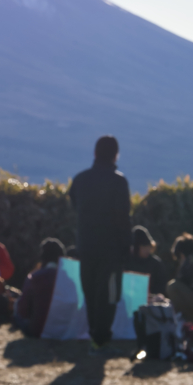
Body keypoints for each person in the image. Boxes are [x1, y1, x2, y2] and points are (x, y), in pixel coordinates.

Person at [69, 135, 131, 354]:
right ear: (116, 155)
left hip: (86, 245)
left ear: (95, 153)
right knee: (109, 293)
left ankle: (94, 332)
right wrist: (126, 246)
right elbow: (123, 218)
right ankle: (102, 336)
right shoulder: (118, 181)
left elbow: (74, 204)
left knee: (90, 289)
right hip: (111, 248)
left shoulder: (80, 180)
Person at [14, 238, 66, 337]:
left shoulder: (34, 278)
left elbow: (22, 311)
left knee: (17, 304)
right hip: (64, 330)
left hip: (37, 330)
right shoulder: (69, 280)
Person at [127, 225, 168, 295]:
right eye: (143, 246)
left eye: (148, 246)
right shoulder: (127, 263)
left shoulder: (156, 264)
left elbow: (162, 288)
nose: (147, 249)